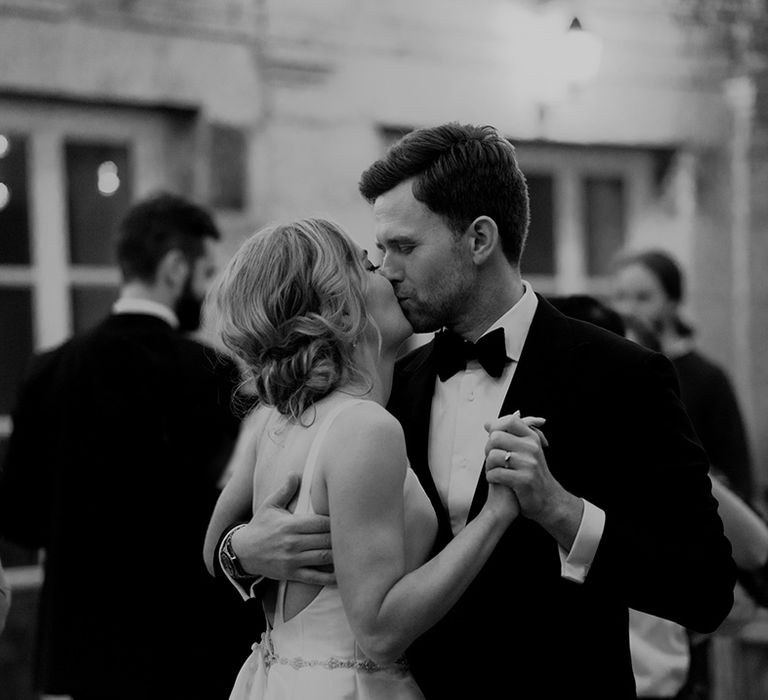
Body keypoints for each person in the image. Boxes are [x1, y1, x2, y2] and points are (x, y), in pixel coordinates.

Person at [208, 123, 735, 698]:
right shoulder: (382, 391)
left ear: (479, 240)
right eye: (379, 250)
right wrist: (241, 552)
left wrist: (562, 512)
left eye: (404, 247)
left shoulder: (621, 375)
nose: (385, 269)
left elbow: (704, 588)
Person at [203, 217, 531, 699]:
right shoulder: (363, 427)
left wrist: (239, 550)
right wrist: (497, 513)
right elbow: (378, 632)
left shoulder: (278, 419)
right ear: (338, 303)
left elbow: (212, 547)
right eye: (367, 263)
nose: (388, 270)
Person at [0, 192, 250, 699]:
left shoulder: (48, 368)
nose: (206, 294)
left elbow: (21, 519)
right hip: (187, 648)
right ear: (176, 268)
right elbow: (234, 514)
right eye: (206, 275)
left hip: (79, 654)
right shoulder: (210, 372)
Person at [610, 249, 754, 504]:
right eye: (620, 297)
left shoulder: (708, 379)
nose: (627, 310)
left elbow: (737, 478)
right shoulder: (610, 369)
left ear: (672, 302)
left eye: (643, 298)